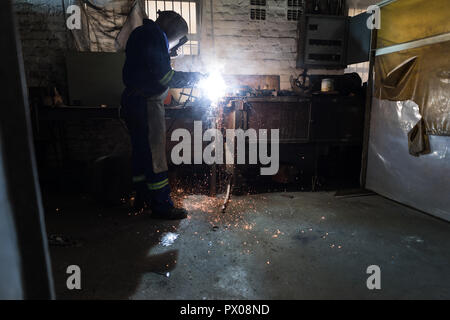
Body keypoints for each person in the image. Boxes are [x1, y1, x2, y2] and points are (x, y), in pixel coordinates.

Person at [121, 11, 203, 220]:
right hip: (147, 103)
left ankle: (142, 199)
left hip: (132, 100)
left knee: (141, 153)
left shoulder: (140, 33)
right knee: (156, 156)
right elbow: (166, 76)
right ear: (173, 32)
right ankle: (162, 205)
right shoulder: (156, 36)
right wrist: (197, 78)